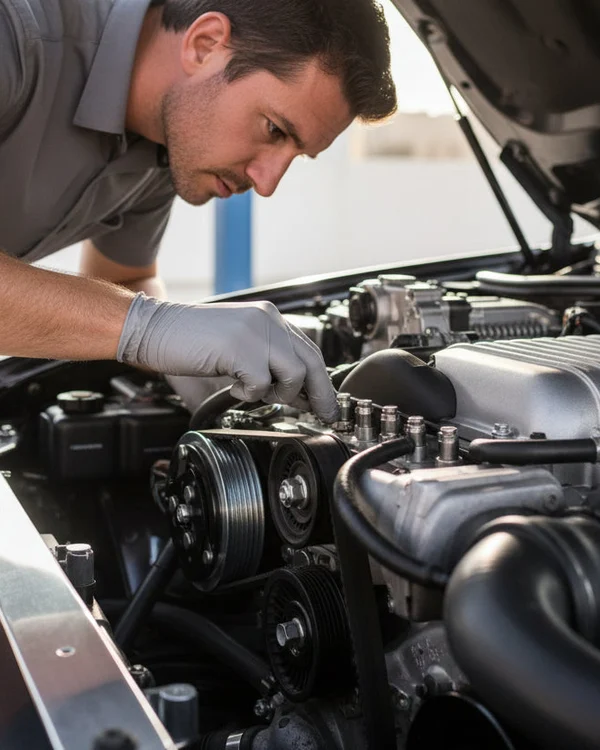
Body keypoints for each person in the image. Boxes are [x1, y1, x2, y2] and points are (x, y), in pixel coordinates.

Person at [0, 0, 397, 422]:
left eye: (297, 156)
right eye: (274, 129)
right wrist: (152, 329)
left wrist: (186, 359)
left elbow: (124, 280)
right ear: (205, 44)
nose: (266, 183)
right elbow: (134, 318)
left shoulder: (166, 142)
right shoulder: (16, 34)